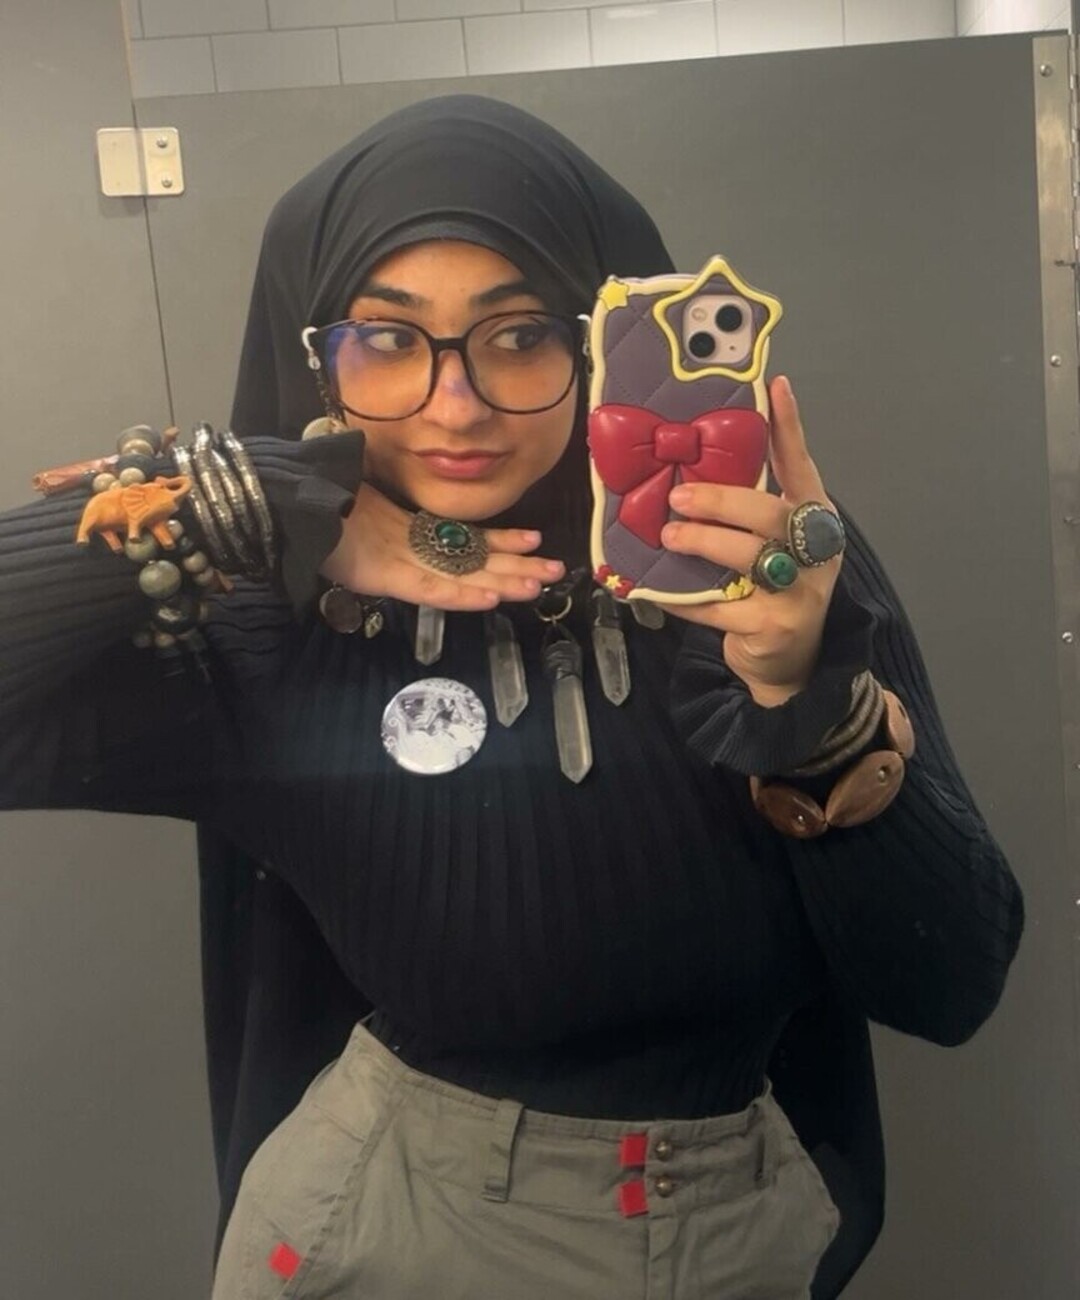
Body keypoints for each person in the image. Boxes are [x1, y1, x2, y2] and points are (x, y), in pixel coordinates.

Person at [0, 96, 1023, 1299]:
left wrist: (810, 706)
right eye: (386, 338)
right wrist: (254, 497)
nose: (457, 404)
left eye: (521, 333)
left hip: (740, 1239)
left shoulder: (760, 561)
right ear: (314, 356)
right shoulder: (276, 630)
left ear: (605, 339)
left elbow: (951, 984)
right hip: (384, 1243)